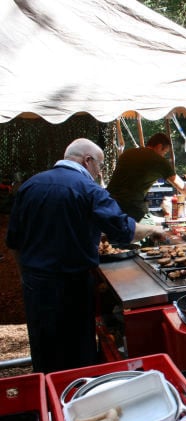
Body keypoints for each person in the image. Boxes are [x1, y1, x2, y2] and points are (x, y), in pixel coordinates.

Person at [6, 138, 166, 373]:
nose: (99, 173)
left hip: (37, 285)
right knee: (77, 351)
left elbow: (14, 240)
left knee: (44, 348)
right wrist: (152, 229)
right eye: (99, 166)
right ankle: (78, 399)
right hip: (72, 285)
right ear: (87, 160)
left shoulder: (31, 185)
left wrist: (25, 275)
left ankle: (47, 398)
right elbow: (124, 230)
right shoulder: (88, 189)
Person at [106, 132, 186, 221]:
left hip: (108, 203)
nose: (163, 155)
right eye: (164, 152)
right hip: (131, 207)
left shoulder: (127, 153)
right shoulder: (158, 160)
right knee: (152, 231)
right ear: (160, 146)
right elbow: (180, 185)